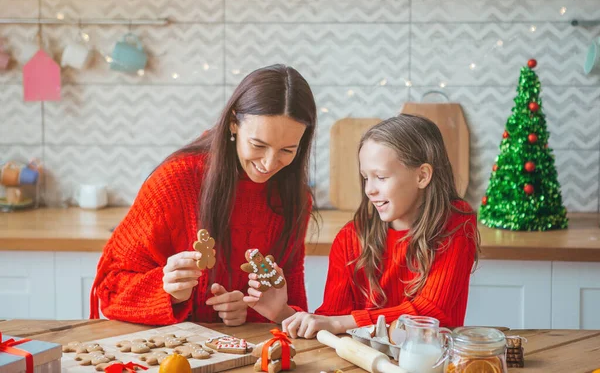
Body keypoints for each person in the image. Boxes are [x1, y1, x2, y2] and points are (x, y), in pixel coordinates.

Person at [90, 64, 317, 326]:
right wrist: (169, 292)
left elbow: (293, 305)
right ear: (233, 124)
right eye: (258, 145)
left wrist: (249, 311)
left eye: (287, 150)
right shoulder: (175, 182)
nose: (268, 163)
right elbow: (110, 289)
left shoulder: (293, 197)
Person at [282, 114, 480, 338]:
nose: (369, 190)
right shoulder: (350, 239)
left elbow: (431, 312)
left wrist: (342, 323)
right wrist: (282, 311)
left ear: (422, 176)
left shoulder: (456, 224)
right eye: (366, 177)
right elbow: (331, 318)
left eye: (381, 177)